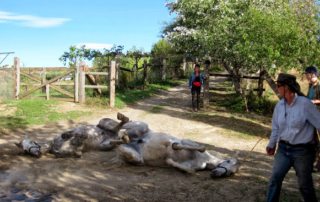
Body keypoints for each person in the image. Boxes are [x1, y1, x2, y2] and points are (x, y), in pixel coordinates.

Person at [266, 73, 319, 202]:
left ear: (287, 88)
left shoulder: (305, 105)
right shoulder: (279, 106)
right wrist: (271, 145)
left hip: (303, 152)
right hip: (283, 150)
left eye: (279, 86)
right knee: (275, 179)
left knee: (304, 185)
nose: (277, 88)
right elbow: (276, 128)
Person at [304, 65, 320, 172]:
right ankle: (312, 162)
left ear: (313, 74)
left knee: (318, 139)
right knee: (312, 139)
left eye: (307, 74)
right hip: (311, 115)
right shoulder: (311, 86)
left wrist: (313, 101)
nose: (306, 76)